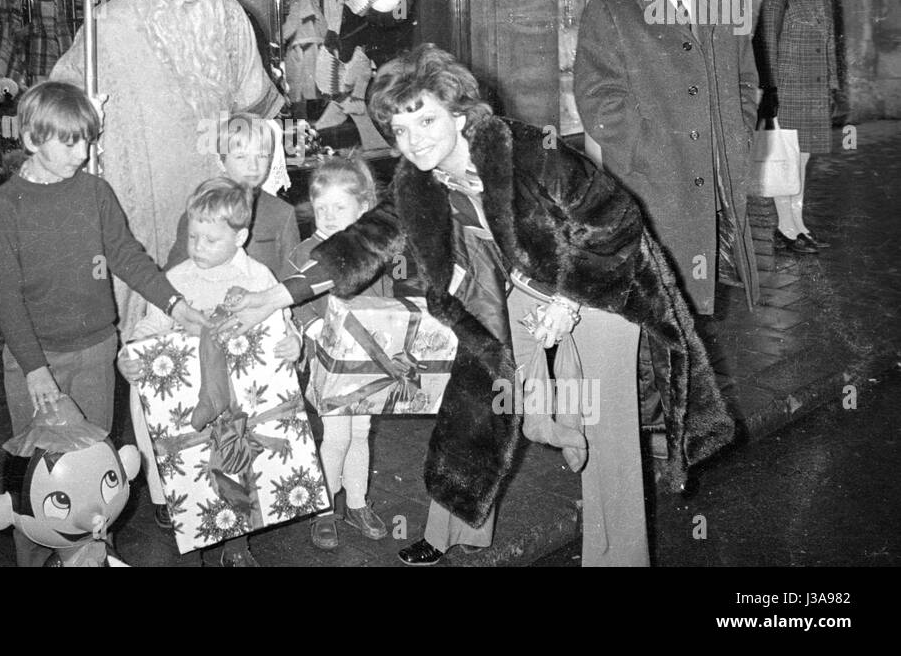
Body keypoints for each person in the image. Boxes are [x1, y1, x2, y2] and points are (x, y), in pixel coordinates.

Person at [223, 44, 735, 567]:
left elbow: (618, 220)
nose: (413, 139)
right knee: (475, 402)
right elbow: (362, 243)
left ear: (460, 113)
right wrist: (272, 297)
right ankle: (459, 525)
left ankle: (617, 557)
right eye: (400, 129)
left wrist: (565, 298)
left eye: (425, 120)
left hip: (604, 285)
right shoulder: (418, 180)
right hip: (516, 288)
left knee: (608, 428)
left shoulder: (527, 150)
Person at [52, 0, 284, 339]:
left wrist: (257, 178)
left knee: (225, 335)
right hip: (140, 207)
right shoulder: (107, 28)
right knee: (152, 343)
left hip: (215, 203)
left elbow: (256, 114)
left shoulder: (229, 19)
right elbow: (58, 113)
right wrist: (82, 115)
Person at [0, 80, 206, 567]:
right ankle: (35, 560)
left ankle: (90, 559)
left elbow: (127, 255)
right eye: (69, 141)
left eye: (87, 139)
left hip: (96, 350)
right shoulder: (5, 206)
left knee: (92, 472)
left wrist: (175, 304)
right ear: (31, 140)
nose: (82, 152)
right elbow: (5, 296)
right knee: (36, 475)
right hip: (35, 361)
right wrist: (34, 368)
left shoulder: (94, 192)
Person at [574, 0, 760, 319]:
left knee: (701, 298)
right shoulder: (612, 9)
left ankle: (688, 377)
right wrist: (647, 150)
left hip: (715, 179)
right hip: (653, 183)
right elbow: (598, 98)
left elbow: (747, 80)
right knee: (654, 302)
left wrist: (739, 133)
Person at [121, 178, 300, 567]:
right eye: (193, 236)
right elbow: (148, 330)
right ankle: (190, 535)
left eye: (210, 240)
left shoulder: (258, 278)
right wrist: (130, 355)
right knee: (190, 474)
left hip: (240, 399)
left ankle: (237, 546)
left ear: (240, 237)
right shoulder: (175, 280)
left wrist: (293, 345)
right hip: (188, 403)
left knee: (238, 464)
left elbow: (284, 327)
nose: (198, 248)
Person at [289, 155, 391, 551]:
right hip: (328, 360)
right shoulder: (306, 252)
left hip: (365, 360)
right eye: (320, 209)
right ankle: (325, 510)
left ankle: (358, 502)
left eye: (339, 208)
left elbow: (383, 302)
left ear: (363, 209)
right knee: (335, 435)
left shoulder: (371, 250)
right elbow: (299, 302)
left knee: (361, 432)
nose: (328, 216)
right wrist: (317, 331)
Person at [755, 0, 840, 254]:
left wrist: (832, 89)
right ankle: (787, 229)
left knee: (801, 162)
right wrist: (771, 92)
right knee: (786, 163)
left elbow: (830, 46)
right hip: (789, 92)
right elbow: (766, 45)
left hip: (816, 93)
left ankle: (797, 224)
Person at [165, 112, 298, 276]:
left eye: (262, 156)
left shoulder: (282, 213)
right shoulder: (202, 209)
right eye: (241, 156)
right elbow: (174, 275)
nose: (253, 166)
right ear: (221, 161)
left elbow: (293, 282)